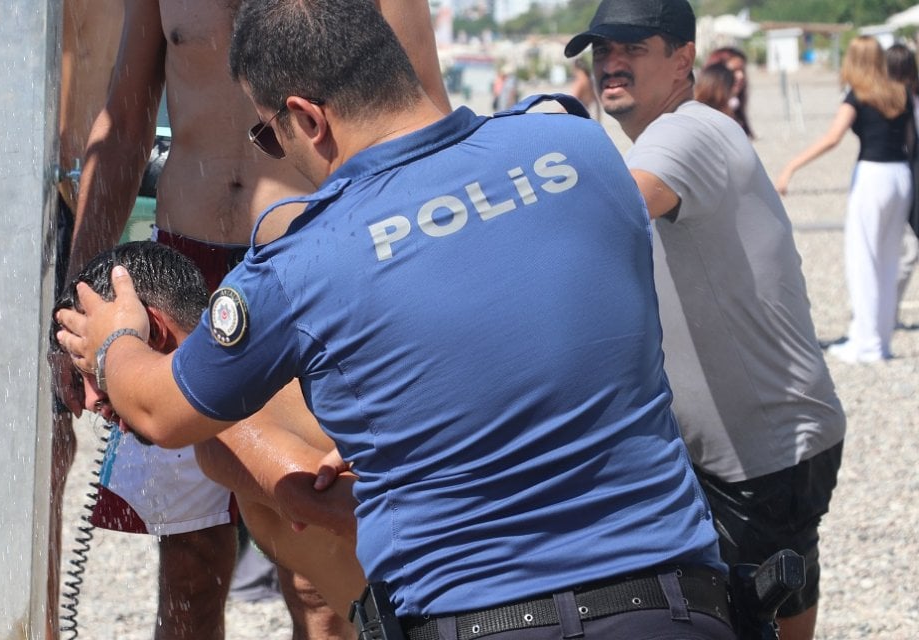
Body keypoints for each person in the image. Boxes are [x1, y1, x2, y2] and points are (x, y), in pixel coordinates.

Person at [60, 0, 733, 638]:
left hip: (473, 616)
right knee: (201, 551)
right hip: (681, 604)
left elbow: (162, 410)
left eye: (268, 135)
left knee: (322, 578)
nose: (268, 147)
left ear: (308, 120)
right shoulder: (582, 149)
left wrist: (112, 336)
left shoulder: (306, 265)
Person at [55, 0, 451, 637]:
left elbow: (422, 114)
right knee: (188, 558)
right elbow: (126, 122)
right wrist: (82, 295)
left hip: (310, 262)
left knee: (314, 562)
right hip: (185, 265)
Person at [566, 1, 847, 638]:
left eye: (632, 48)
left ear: (683, 59)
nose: (610, 62)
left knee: (738, 617)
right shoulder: (681, 133)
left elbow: (605, 220)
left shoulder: (687, 131)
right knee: (777, 597)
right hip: (773, 437)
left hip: (763, 454)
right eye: (601, 49)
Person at [54, 241, 366, 623]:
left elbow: (381, 513)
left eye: (97, 369)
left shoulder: (231, 429)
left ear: (150, 332)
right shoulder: (265, 374)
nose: (87, 401)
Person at [776, 36, 914, 363]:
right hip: (901, 176)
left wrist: (792, 166)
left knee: (863, 260)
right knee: (888, 260)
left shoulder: (858, 95)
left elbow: (832, 138)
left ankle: (865, 344)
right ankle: (880, 340)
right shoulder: (901, 92)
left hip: (872, 176)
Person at [885, 43, 919, 320]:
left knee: (905, 250)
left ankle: (887, 309)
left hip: (896, 177)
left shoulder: (888, 98)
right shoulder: (896, 98)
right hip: (906, 176)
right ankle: (887, 309)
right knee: (907, 250)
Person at [705, 46, 753, 138]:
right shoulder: (706, 115)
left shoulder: (735, 108)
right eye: (734, 71)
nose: (741, 76)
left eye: (742, 70)